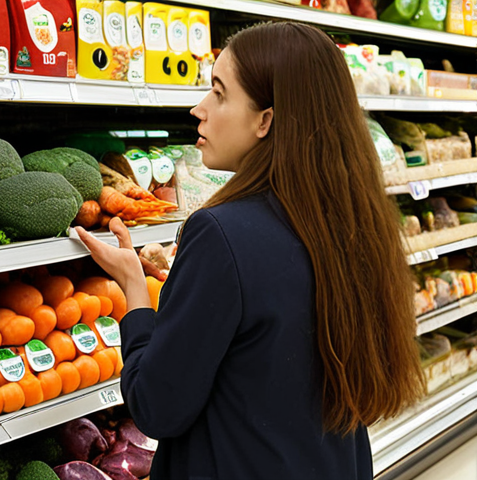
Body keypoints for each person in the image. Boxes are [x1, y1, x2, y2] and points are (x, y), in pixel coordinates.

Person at [74, 22, 425, 480]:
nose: (198, 108)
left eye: (218, 93)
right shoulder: (353, 224)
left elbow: (157, 407)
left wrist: (135, 295)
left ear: (266, 120)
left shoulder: (221, 233)